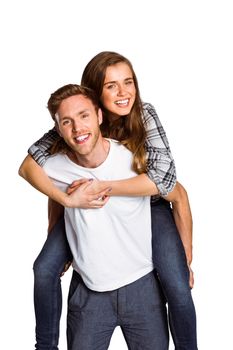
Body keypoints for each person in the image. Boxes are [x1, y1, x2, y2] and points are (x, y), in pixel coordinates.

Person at [19, 51, 197, 350]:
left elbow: (166, 184)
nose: (123, 92)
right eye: (111, 85)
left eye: (128, 82)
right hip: (86, 201)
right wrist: (61, 211)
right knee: (45, 268)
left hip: (148, 202)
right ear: (95, 95)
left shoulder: (144, 114)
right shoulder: (76, 118)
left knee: (178, 285)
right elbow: (41, 168)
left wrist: (186, 254)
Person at [44, 83, 169, 349]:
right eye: (67, 122)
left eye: (84, 116)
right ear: (58, 129)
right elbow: (51, 193)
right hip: (88, 294)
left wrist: (185, 259)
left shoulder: (134, 161)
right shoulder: (53, 167)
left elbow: (178, 195)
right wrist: (56, 228)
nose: (78, 129)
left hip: (142, 288)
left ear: (99, 116)